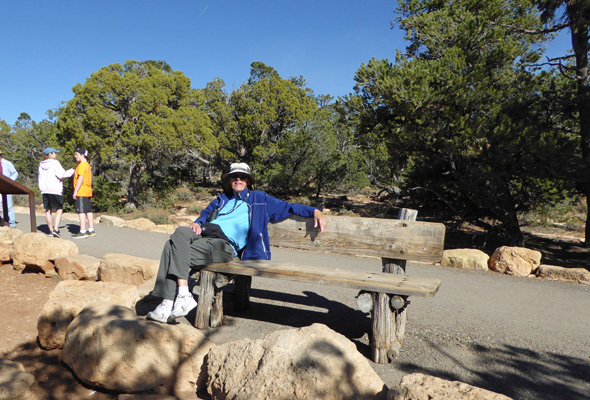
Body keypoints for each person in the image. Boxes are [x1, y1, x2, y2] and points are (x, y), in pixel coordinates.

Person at [147, 162, 326, 323]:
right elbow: (204, 214)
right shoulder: (222, 199)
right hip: (205, 237)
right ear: (230, 179)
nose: (238, 179)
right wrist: (198, 223)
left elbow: (288, 207)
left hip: (224, 246)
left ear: (248, 181)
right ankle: (180, 297)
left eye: (243, 177)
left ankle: (168, 301)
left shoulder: (260, 199)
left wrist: (315, 211)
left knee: (172, 249)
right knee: (178, 235)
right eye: (234, 176)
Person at [38, 147, 75, 238]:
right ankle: (55, 229)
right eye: (54, 153)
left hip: (45, 190)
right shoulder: (55, 163)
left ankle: (50, 230)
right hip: (54, 190)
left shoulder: (41, 165)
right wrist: (72, 171)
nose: (56, 155)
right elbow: (61, 175)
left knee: (48, 210)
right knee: (59, 209)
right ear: (50, 154)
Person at [71, 148, 95, 239]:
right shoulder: (87, 165)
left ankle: (83, 231)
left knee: (81, 211)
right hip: (88, 190)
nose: (75, 156)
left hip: (81, 191)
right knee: (88, 210)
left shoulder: (82, 165)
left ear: (82, 155)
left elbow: (80, 178)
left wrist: (75, 191)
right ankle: (91, 229)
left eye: (77, 154)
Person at [0, 149, 19, 228]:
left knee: (8, 206)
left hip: (6, 187)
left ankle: (12, 224)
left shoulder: (7, 163)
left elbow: (15, 173)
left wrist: (9, 182)